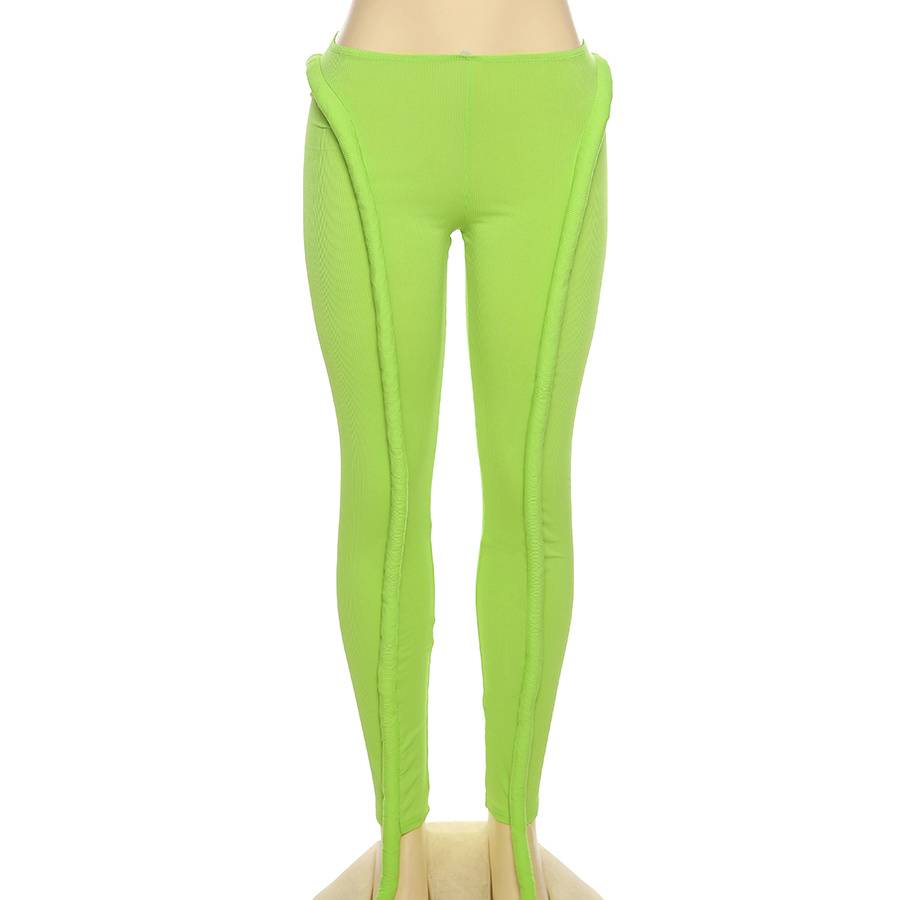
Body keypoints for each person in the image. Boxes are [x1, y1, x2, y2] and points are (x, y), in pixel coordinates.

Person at [302, 2, 612, 897]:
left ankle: (516, 843)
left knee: (532, 493)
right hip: (372, 109)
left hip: (544, 107)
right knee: (384, 498)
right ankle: (398, 848)